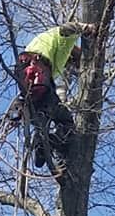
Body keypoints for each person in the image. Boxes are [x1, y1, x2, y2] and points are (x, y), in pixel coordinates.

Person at [15, 22, 96, 169]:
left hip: (25, 67)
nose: (72, 67)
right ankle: (50, 142)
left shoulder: (53, 53)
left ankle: (43, 142)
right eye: (75, 64)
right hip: (37, 65)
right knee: (65, 119)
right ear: (74, 57)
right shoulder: (66, 41)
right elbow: (66, 29)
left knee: (41, 108)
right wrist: (87, 28)